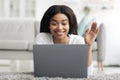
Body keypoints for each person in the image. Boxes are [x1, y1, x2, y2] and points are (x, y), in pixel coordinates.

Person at [35, 5, 99, 76]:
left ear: (69, 25)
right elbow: (40, 70)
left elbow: (88, 73)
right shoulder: (42, 38)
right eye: (54, 24)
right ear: (49, 25)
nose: (59, 27)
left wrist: (89, 46)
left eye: (64, 23)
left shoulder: (78, 40)